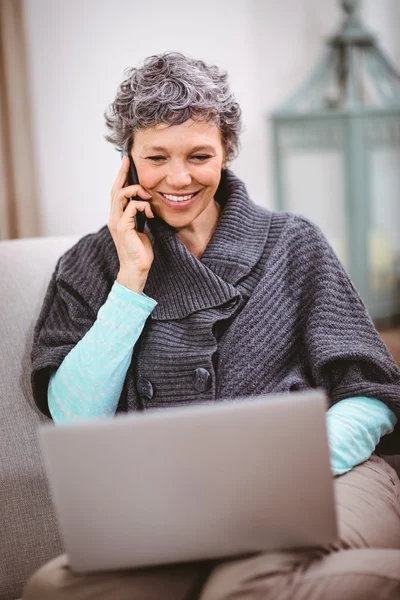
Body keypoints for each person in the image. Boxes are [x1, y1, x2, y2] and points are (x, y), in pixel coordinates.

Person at [25, 52, 400, 600]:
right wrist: (131, 279)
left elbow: (372, 394)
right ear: (127, 160)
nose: (179, 178)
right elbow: (77, 418)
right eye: (157, 157)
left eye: (199, 155)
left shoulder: (293, 243)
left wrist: (277, 477)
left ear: (226, 153)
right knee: (52, 587)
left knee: (243, 585)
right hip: (176, 505)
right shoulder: (92, 265)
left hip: (331, 477)